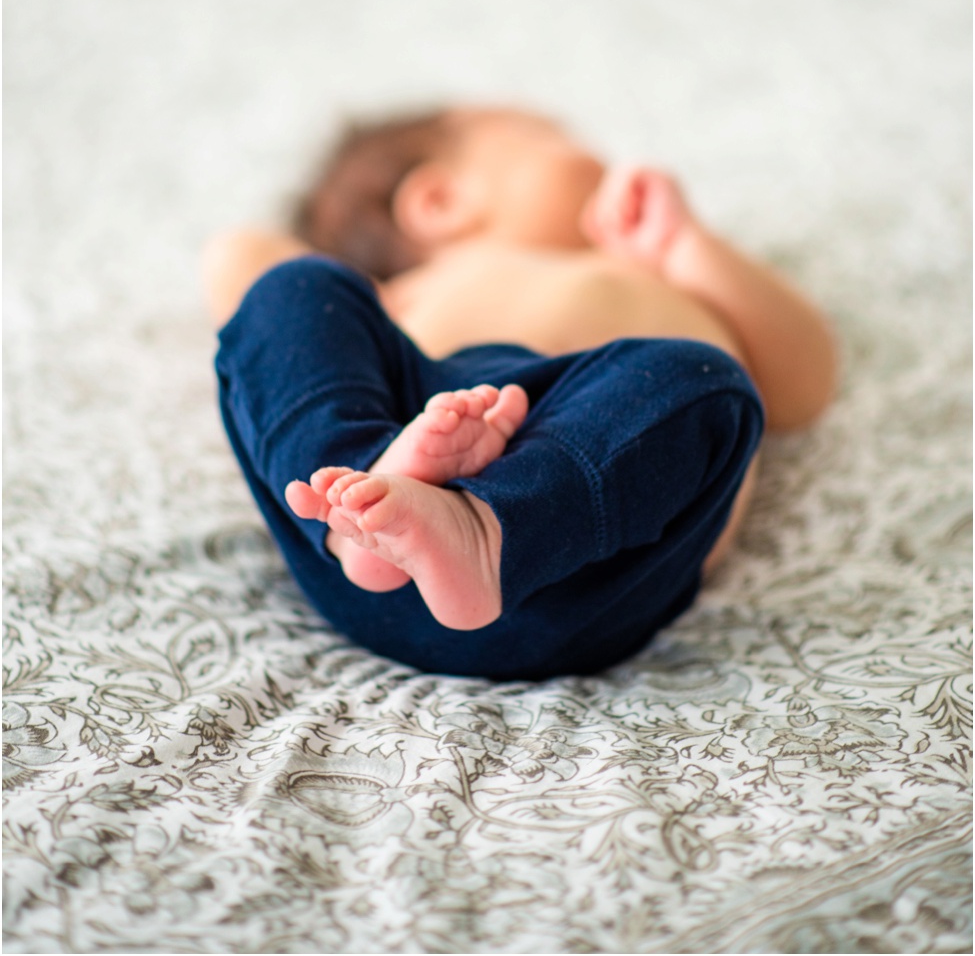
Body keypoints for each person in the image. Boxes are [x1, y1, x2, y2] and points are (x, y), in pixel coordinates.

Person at [204, 107, 837, 680]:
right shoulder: (399, 296)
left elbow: (802, 386)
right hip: (372, 549)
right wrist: (283, 273)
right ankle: (362, 498)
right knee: (294, 287)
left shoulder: (659, 271)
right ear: (439, 199)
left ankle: (487, 528)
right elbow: (260, 304)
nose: (596, 155)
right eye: (550, 136)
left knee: (708, 384)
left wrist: (685, 247)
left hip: (596, 570)